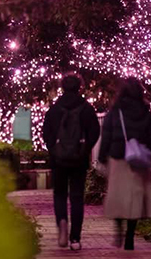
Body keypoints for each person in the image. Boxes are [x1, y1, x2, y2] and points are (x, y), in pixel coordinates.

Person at [98, 76, 151, 251]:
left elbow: (107, 136)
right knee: (135, 199)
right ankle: (130, 236)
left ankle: (118, 229)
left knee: (117, 197)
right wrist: (149, 154)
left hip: (118, 158)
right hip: (138, 160)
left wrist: (102, 157)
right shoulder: (145, 112)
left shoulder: (115, 112)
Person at [43, 73, 101, 251]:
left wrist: (53, 149)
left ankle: (61, 221)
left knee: (60, 194)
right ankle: (75, 239)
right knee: (76, 198)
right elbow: (94, 132)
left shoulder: (54, 109)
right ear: (79, 87)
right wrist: (85, 149)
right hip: (79, 160)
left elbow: (46, 133)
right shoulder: (86, 108)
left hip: (59, 159)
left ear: (62, 87)